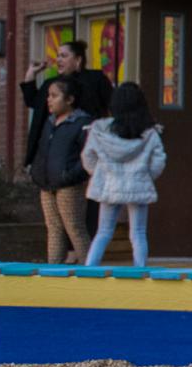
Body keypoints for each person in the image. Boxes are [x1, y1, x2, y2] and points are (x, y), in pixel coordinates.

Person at [82, 82, 167, 267]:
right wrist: (145, 176)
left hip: (108, 185)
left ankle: (89, 269)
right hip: (138, 185)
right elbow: (158, 161)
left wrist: (99, 173)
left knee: (103, 231)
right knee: (138, 232)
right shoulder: (149, 133)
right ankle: (140, 270)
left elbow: (88, 156)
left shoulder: (100, 130)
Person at [30, 75, 93, 264]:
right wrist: (37, 173)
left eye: (54, 95)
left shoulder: (82, 123)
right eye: (48, 95)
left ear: (70, 99)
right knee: (54, 229)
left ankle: (90, 271)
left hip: (69, 185)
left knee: (75, 228)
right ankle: (53, 272)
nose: (49, 100)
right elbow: (42, 150)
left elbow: (89, 156)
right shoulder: (49, 122)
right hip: (47, 184)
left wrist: (71, 176)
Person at [22, 40, 111, 168]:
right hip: (54, 148)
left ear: (78, 60)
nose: (58, 60)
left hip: (86, 145)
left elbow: (112, 105)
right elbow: (33, 102)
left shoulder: (95, 79)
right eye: (58, 56)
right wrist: (31, 73)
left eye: (64, 56)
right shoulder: (51, 83)